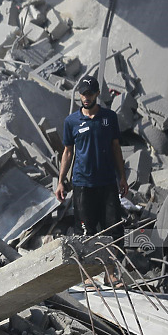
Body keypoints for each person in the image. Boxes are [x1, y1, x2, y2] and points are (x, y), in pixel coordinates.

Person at [55, 75, 128, 285]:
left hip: (106, 182)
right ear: (79, 95)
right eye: (83, 94)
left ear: (97, 94)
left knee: (112, 228)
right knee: (85, 230)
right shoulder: (71, 122)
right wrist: (61, 181)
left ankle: (110, 273)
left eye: (90, 93)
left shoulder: (109, 118)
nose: (86, 97)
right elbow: (67, 152)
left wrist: (122, 177)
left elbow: (116, 148)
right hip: (82, 184)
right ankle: (88, 275)